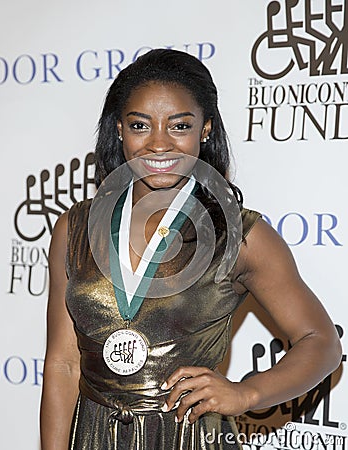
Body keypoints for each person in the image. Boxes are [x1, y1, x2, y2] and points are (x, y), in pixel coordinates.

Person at [40, 49, 342, 450]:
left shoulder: (241, 235)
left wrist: (247, 394)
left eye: (179, 125)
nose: (159, 144)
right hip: (94, 436)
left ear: (206, 130)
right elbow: (62, 364)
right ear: (118, 130)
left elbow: (320, 342)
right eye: (139, 125)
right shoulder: (75, 227)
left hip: (190, 437)